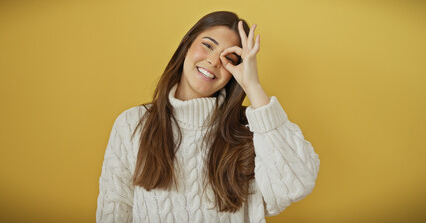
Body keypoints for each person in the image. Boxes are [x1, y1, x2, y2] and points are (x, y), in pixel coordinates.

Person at [96, 11, 320, 223]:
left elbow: (296, 185)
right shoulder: (132, 124)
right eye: (207, 45)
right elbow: (115, 209)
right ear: (186, 47)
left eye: (228, 58)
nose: (213, 61)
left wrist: (253, 86)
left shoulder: (250, 131)